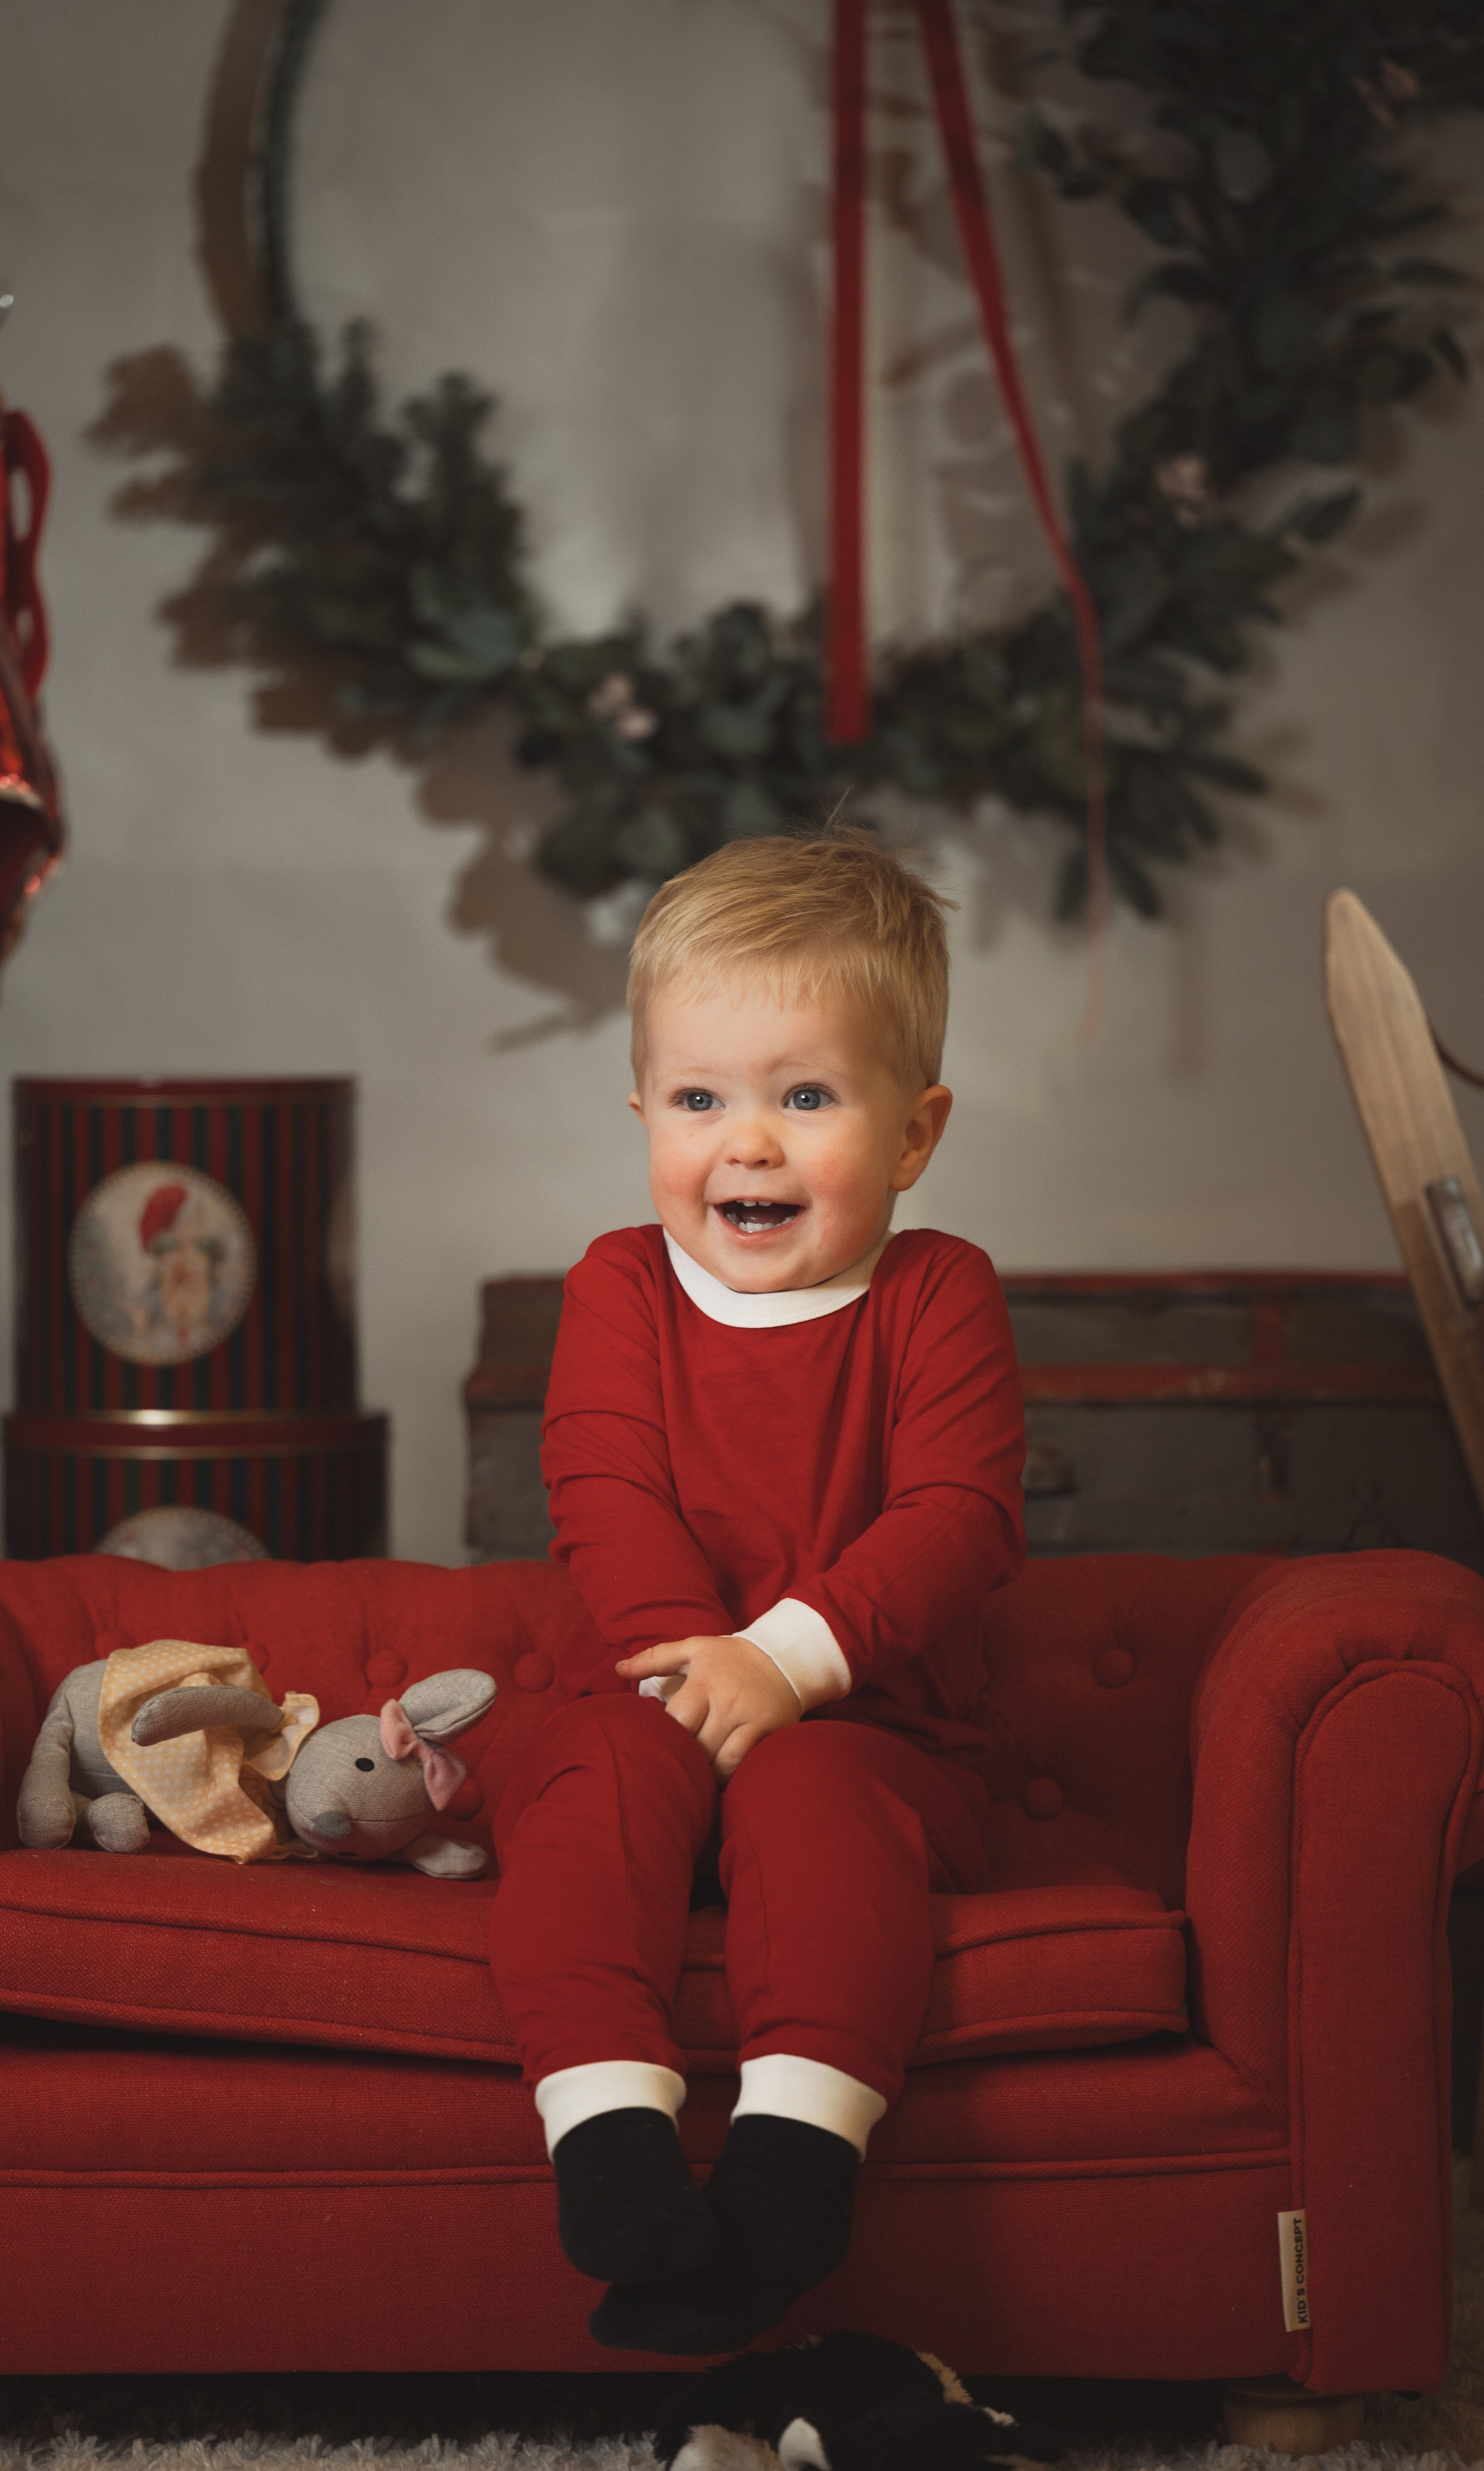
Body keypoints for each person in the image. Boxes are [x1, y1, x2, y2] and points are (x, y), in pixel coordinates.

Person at [488, 828, 1025, 2355]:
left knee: (805, 1794)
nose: (749, 1144)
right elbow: (602, 1491)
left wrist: (785, 1663)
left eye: (806, 1097)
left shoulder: (938, 1294)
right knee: (586, 1777)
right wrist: (693, 1666)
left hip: (875, 1737)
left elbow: (957, 1517)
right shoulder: (616, 1286)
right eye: (700, 1099)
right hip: (654, 1703)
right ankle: (605, 2135)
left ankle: (795, 2161)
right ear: (644, 1110)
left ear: (912, 1132)